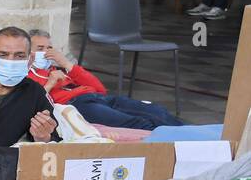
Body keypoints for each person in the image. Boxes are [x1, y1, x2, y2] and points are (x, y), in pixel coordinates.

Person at [27, 30, 185, 130]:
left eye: (49, 48)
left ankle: (195, 133)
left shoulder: (56, 69)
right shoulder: (27, 75)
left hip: (97, 98)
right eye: (40, 48)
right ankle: (185, 140)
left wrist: (67, 64)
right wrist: (50, 83)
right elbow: (30, 103)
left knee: (156, 110)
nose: (46, 52)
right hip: (77, 105)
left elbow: (99, 88)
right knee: (138, 122)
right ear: (28, 52)